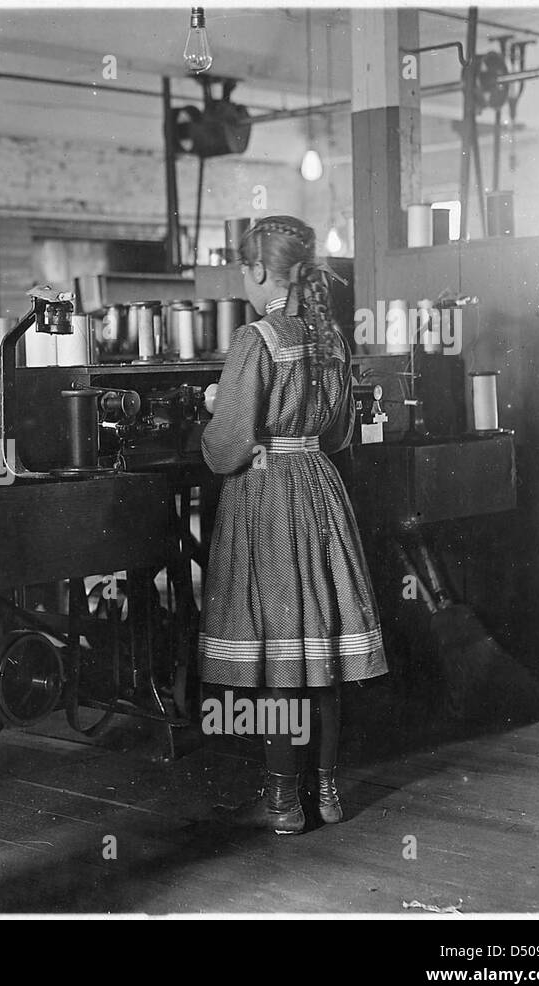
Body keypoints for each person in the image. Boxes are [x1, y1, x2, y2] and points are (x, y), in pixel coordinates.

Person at [198, 215, 387, 834]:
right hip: (320, 490)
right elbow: (335, 433)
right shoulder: (331, 337)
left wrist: (218, 412)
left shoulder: (257, 337)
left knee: (281, 655)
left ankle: (282, 802)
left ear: (255, 272)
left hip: (268, 499)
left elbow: (226, 445)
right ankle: (328, 796)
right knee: (321, 654)